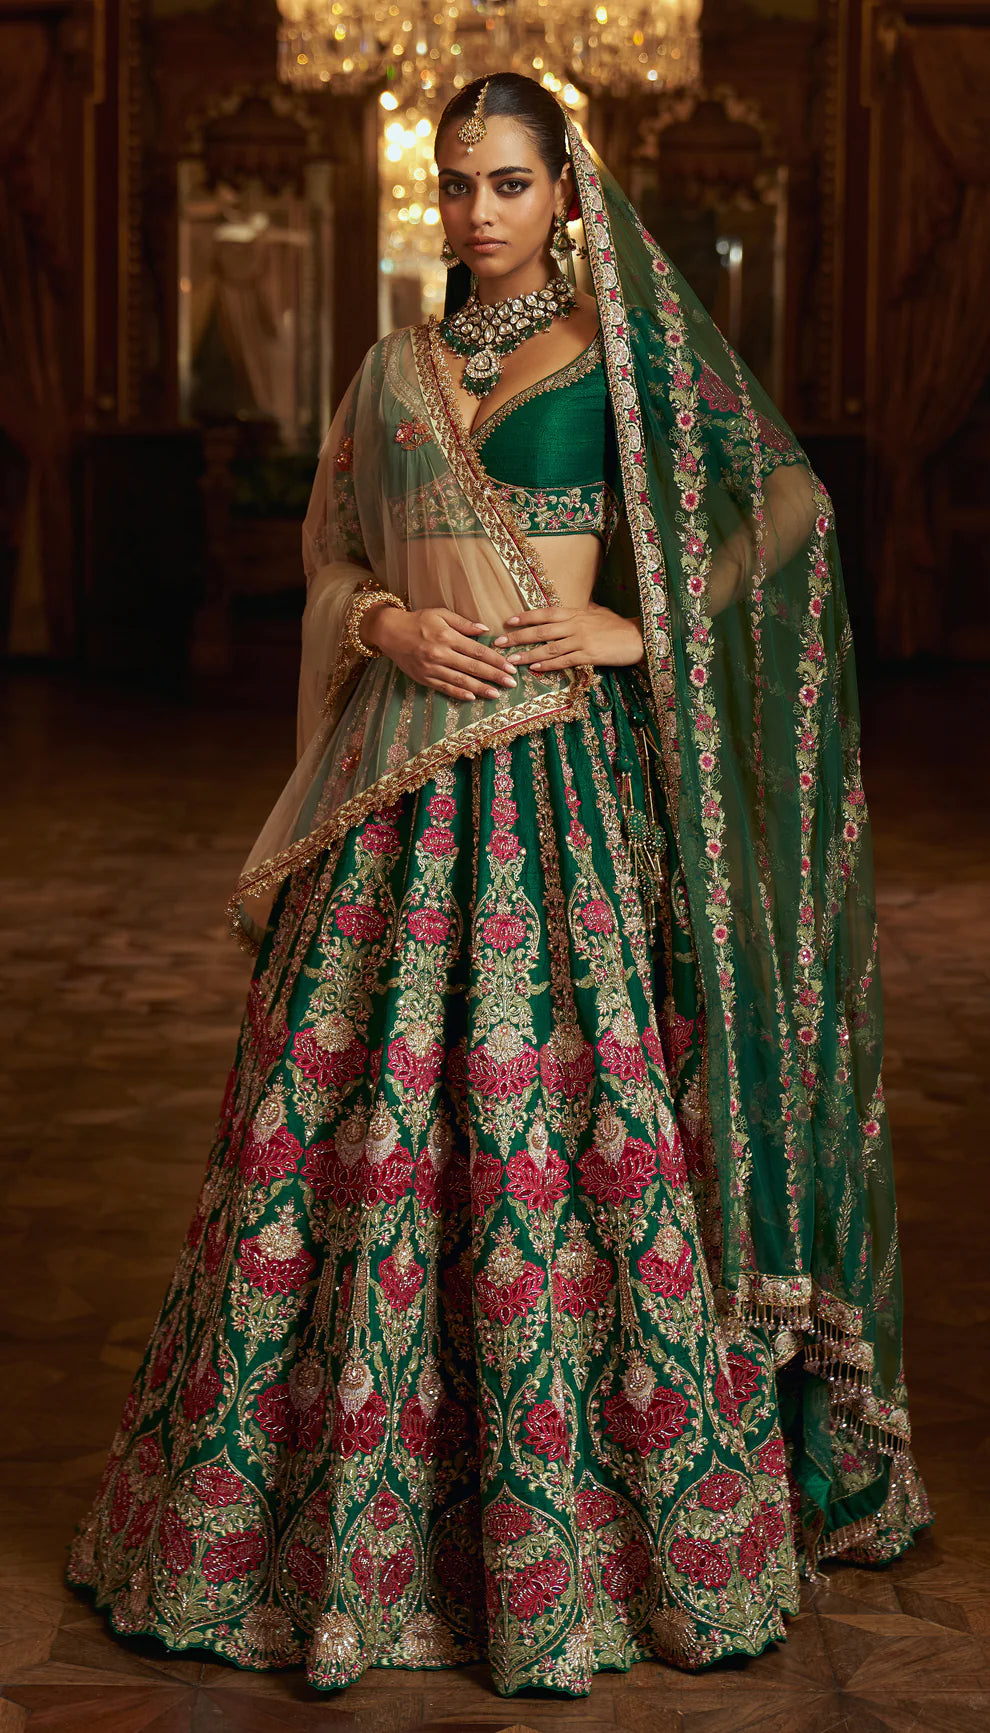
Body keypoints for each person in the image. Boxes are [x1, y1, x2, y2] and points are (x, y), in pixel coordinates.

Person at [67, 72, 930, 1699]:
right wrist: (378, 624)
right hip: (394, 783)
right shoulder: (393, 363)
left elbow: (793, 503)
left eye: (508, 183)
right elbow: (336, 549)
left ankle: (576, 1537)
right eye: (455, 182)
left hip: (554, 785)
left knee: (563, 1128)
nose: (475, 212)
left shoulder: (627, 357)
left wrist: (636, 629)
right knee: (340, 1124)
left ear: (563, 194)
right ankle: (315, 1518)